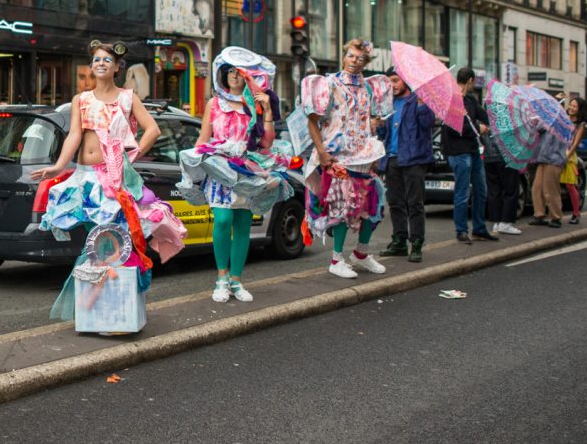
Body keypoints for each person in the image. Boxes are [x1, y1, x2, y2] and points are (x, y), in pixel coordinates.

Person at [31, 41, 186, 318]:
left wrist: (131, 156)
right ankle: (100, 309)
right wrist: (58, 167)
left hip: (114, 180)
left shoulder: (127, 98)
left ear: (116, 67)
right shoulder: (82, 99)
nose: (100, 63)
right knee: (98, 242)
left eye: (106, 60)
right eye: (96, 60)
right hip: (86, 178)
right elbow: (74, 136)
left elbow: (152, 130)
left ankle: (104, 309)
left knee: (110, 242)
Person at [179, 48, 292, 303]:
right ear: (223, 73)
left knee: (242, 224)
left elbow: (266, 142)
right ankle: (221, 277)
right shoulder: (214, 103)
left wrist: (268, 112)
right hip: (219, 168)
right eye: (230, 71)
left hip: (248, 168)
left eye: (239, 73)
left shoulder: (255, 105)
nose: (234, 76)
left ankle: (236, 280)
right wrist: (193, 167)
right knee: (222, 219)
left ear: (247, 77)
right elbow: (203, 138)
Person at [301, 39, 392, 278]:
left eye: (360, 58)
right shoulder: (330, 84)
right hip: (337, 155)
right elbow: (313, 120)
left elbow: (370, 121)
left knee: (374, 206)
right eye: (351, 56)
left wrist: (374, 130)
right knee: (343, 207)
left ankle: (361, 254)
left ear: (366, 62)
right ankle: (336, 259)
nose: (354, 61)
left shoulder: (370, 88)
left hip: (363, 155)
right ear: (344, 56)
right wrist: (321, 152)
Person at [377, 70, 436, 263]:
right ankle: (399, 241)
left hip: (414, 159)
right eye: (389, 82)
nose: (392, 85)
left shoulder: (418, 99)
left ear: (406, 81)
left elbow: (428, 124)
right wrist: (377, 124)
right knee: (395, 203)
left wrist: (421, 104)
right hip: (392, 159)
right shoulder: (388, 103)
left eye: (395, 80)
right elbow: (383, 132)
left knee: (414, 203)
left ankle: (416, 244)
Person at [440, 68, 497, 243]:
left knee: (481, 190)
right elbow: (453, 128)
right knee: (462, 192)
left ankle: (479, 229)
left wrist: (492, 118)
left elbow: (484, 116)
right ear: (471, 81)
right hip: (457, 151)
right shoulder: (451, 100)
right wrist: (476, 128)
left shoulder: (470, 100)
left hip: (472, 150)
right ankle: (461, 230)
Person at [483, 125, 523, 237]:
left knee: (494, 190)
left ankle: (496, 221)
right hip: (506, 155)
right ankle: (506, 222)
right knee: (510, 189)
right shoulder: (507, 115)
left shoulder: (485, 112)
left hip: (489, 156)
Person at [563, 97, 587, 224]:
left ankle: (576, 213)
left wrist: (568, 155)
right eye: (570, 105)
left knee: (570, 185)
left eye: (575, 106)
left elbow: (575, 143)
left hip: (569, 156)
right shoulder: (563, 118)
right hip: (557, 152)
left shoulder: (581, 124)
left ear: (580, 109)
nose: (571, 108)